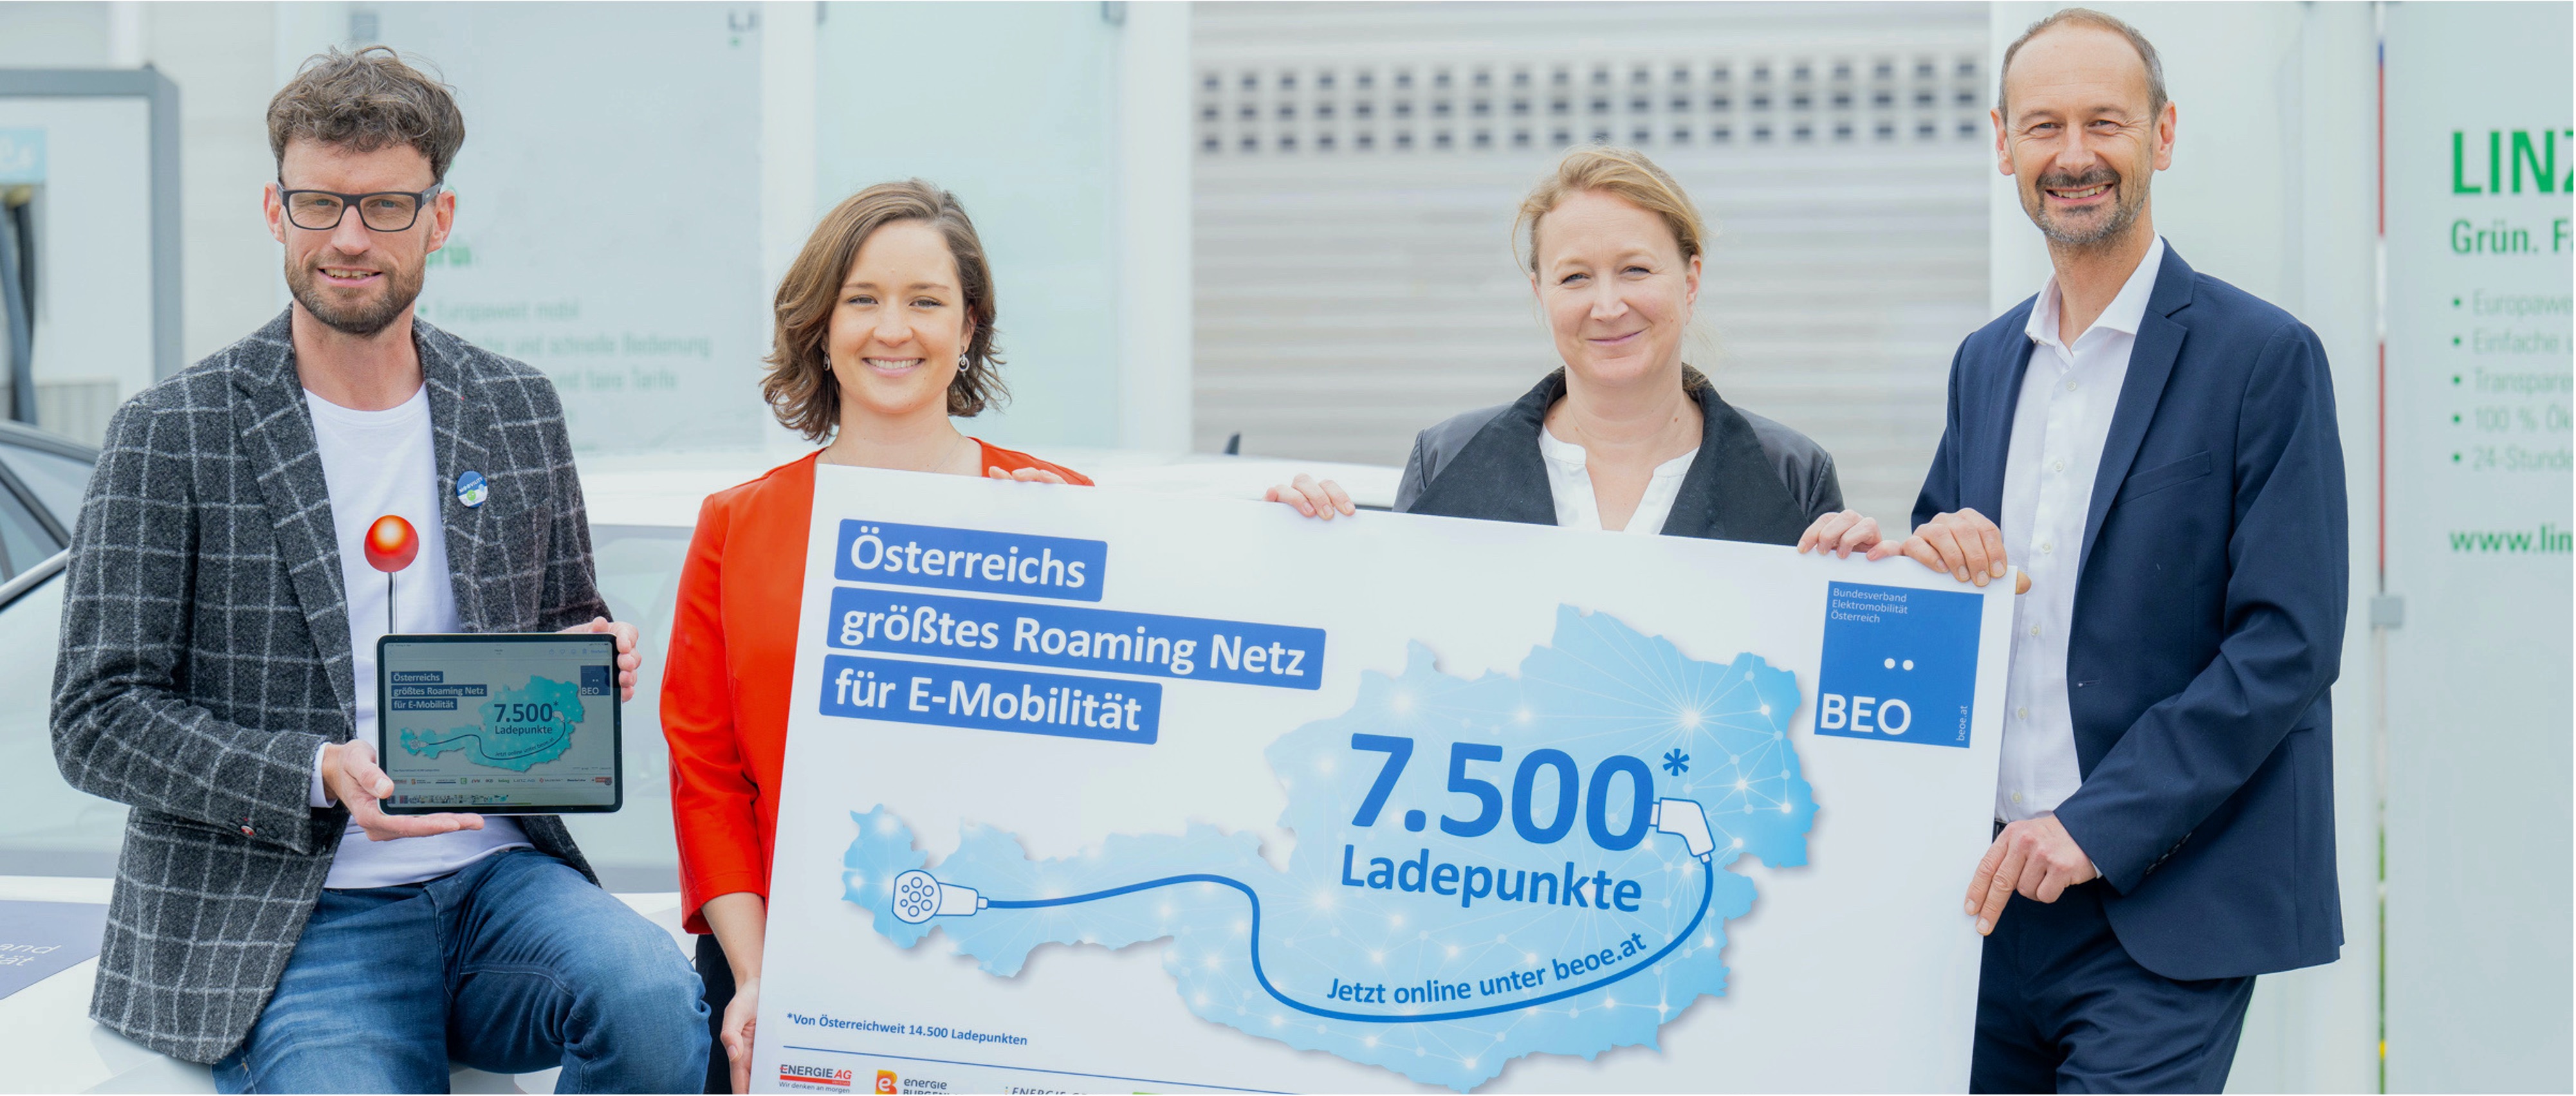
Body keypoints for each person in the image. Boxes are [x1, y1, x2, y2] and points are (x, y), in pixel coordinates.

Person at [47, 47, 708, 1093]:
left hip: (496, 881)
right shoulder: (173, 430)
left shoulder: (516, 406)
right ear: (275, 210)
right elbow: (96, 717)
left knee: (655, 999)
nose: (349, 237)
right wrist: (318, 771)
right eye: (321, 203)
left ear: (438, 219)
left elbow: (562, 614)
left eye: (386, 206)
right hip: (288, 911)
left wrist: (588, 653)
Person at [1799, 10, 2346, 1091]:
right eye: (2044, 126)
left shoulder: (2262, 357)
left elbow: (2285, 643)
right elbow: (1951, 597)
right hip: (1981, 900)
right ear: (2003, 144)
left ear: (2162, 135)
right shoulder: (1984, 362)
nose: (2074, 154)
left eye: (2105, 122)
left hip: (2164, 905)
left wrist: (2094, 826)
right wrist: (1868, 566)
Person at [661, 179, 1090, 1094]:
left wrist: (1300, 535)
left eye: (925, 301)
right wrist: (759, 979)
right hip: (789, 980)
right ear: (821, 325)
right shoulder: (737, 526)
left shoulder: (1060, 511)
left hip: (1008, 973)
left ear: (969, 327)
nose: (892, 330)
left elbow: (1141, 743)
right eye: (862, 299)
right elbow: (708, 780)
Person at [1269, 146, 1843, 541]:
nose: (1608, 306)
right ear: (1540, 293)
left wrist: (1864, 588)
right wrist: (1306, 553)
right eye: (1575, 277)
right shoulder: (1446, 459)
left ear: (1690, 283)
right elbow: (1389, 639)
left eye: (1636, 269)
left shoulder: (1793, 475)